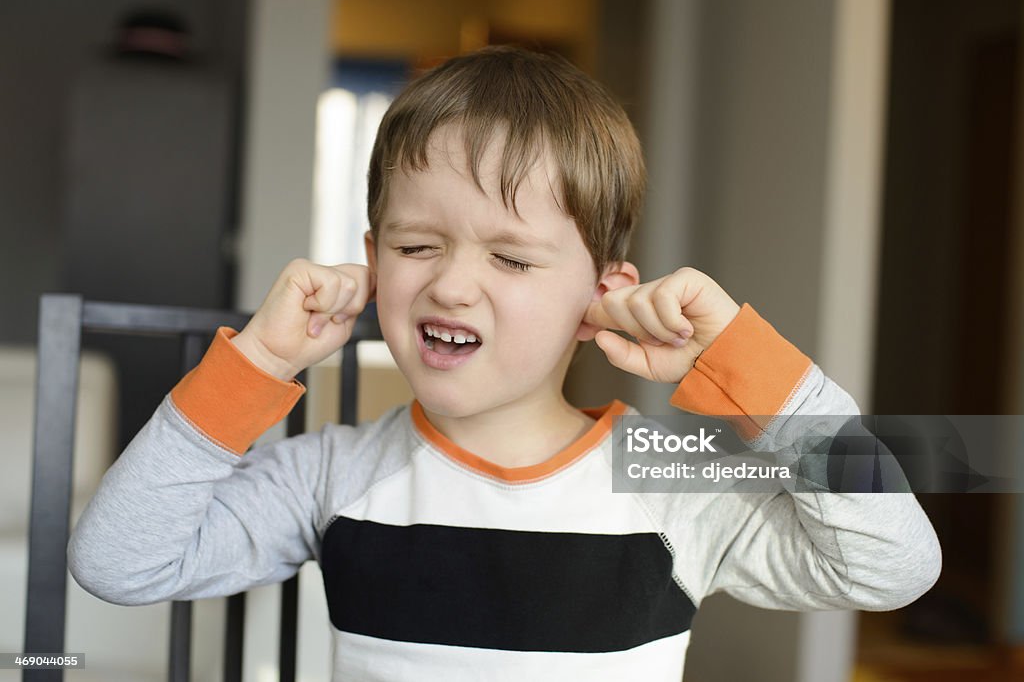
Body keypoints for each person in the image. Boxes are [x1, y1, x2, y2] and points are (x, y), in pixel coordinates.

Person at [68, 46, 941, 681]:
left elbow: (893, 565)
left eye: (513, 260)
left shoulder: (670, 482)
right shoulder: (333, 474)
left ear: (600, 294)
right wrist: (257, 361)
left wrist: (750, 366)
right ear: (375, 261)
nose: (451, 284)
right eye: (417, 244)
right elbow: (118, 560)